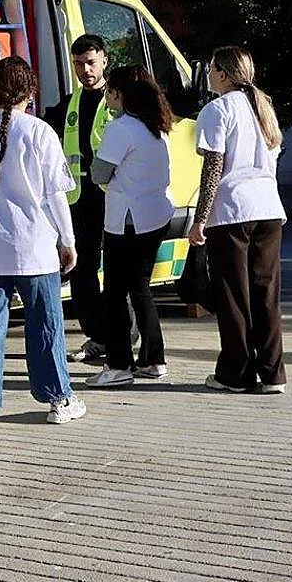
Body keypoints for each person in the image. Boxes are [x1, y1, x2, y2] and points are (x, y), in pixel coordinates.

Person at [0, 56, 87, 441]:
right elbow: (56, 196)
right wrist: (68, 240)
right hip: (34, 246)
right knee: (44, 324)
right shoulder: (41, 132)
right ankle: (59, 400)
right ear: (31, 91)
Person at [189, 46, 287, 394]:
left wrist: (199, 218)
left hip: (232, 212)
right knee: (265, 293)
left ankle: (235, 373)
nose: (209, 74)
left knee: (233, 295)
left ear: (223, 74)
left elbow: (214, 167)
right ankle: (273, 374)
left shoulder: (216, 110)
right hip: (269, 209)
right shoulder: (264, 109)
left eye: (212, 68)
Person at [86, 66, 175, 387]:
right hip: (155, 216)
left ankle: (119, 364)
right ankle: (153, 358)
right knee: (140, 290)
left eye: (110, 91)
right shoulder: (156, 127)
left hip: (127, 221)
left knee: (114, 293)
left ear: (122, 95)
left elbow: (98, 173)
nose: (107, 96)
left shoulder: (120, 128)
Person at [51, 34, 117, 364]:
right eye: (78, 64)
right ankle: (97, 337)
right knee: (82, 270)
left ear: (105, 60)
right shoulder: (69, 105)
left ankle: (121, 334)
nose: (85, 70)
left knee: (119, 272)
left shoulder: (118, 102)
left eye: (91, 62)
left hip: (115, 199)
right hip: (80, 200)